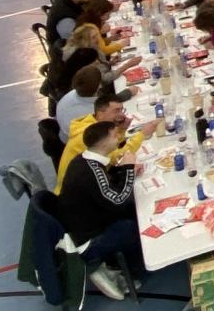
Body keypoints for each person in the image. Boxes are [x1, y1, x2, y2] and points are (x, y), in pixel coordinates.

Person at [55, 119, 144, 300]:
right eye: (114, 135)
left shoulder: (84, 159)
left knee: (133, 209)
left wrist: (126, 173)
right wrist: (127, 169)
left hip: (89, 219)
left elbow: (106, 188)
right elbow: (118, 200)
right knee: (131, 226)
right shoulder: (91, 172)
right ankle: (127, 273)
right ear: (103, 143)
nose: (119, 137)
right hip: (88, 240)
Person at [55, 93, 157, 191]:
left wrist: (121, 129)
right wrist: (142, 134)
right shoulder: (87, 135)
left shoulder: (95, 125)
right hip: (75, 193)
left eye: (122, 110)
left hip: (95, 180)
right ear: (100, 114)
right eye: (116, 111)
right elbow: (117, 158)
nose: (121, 114)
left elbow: (112, 147)